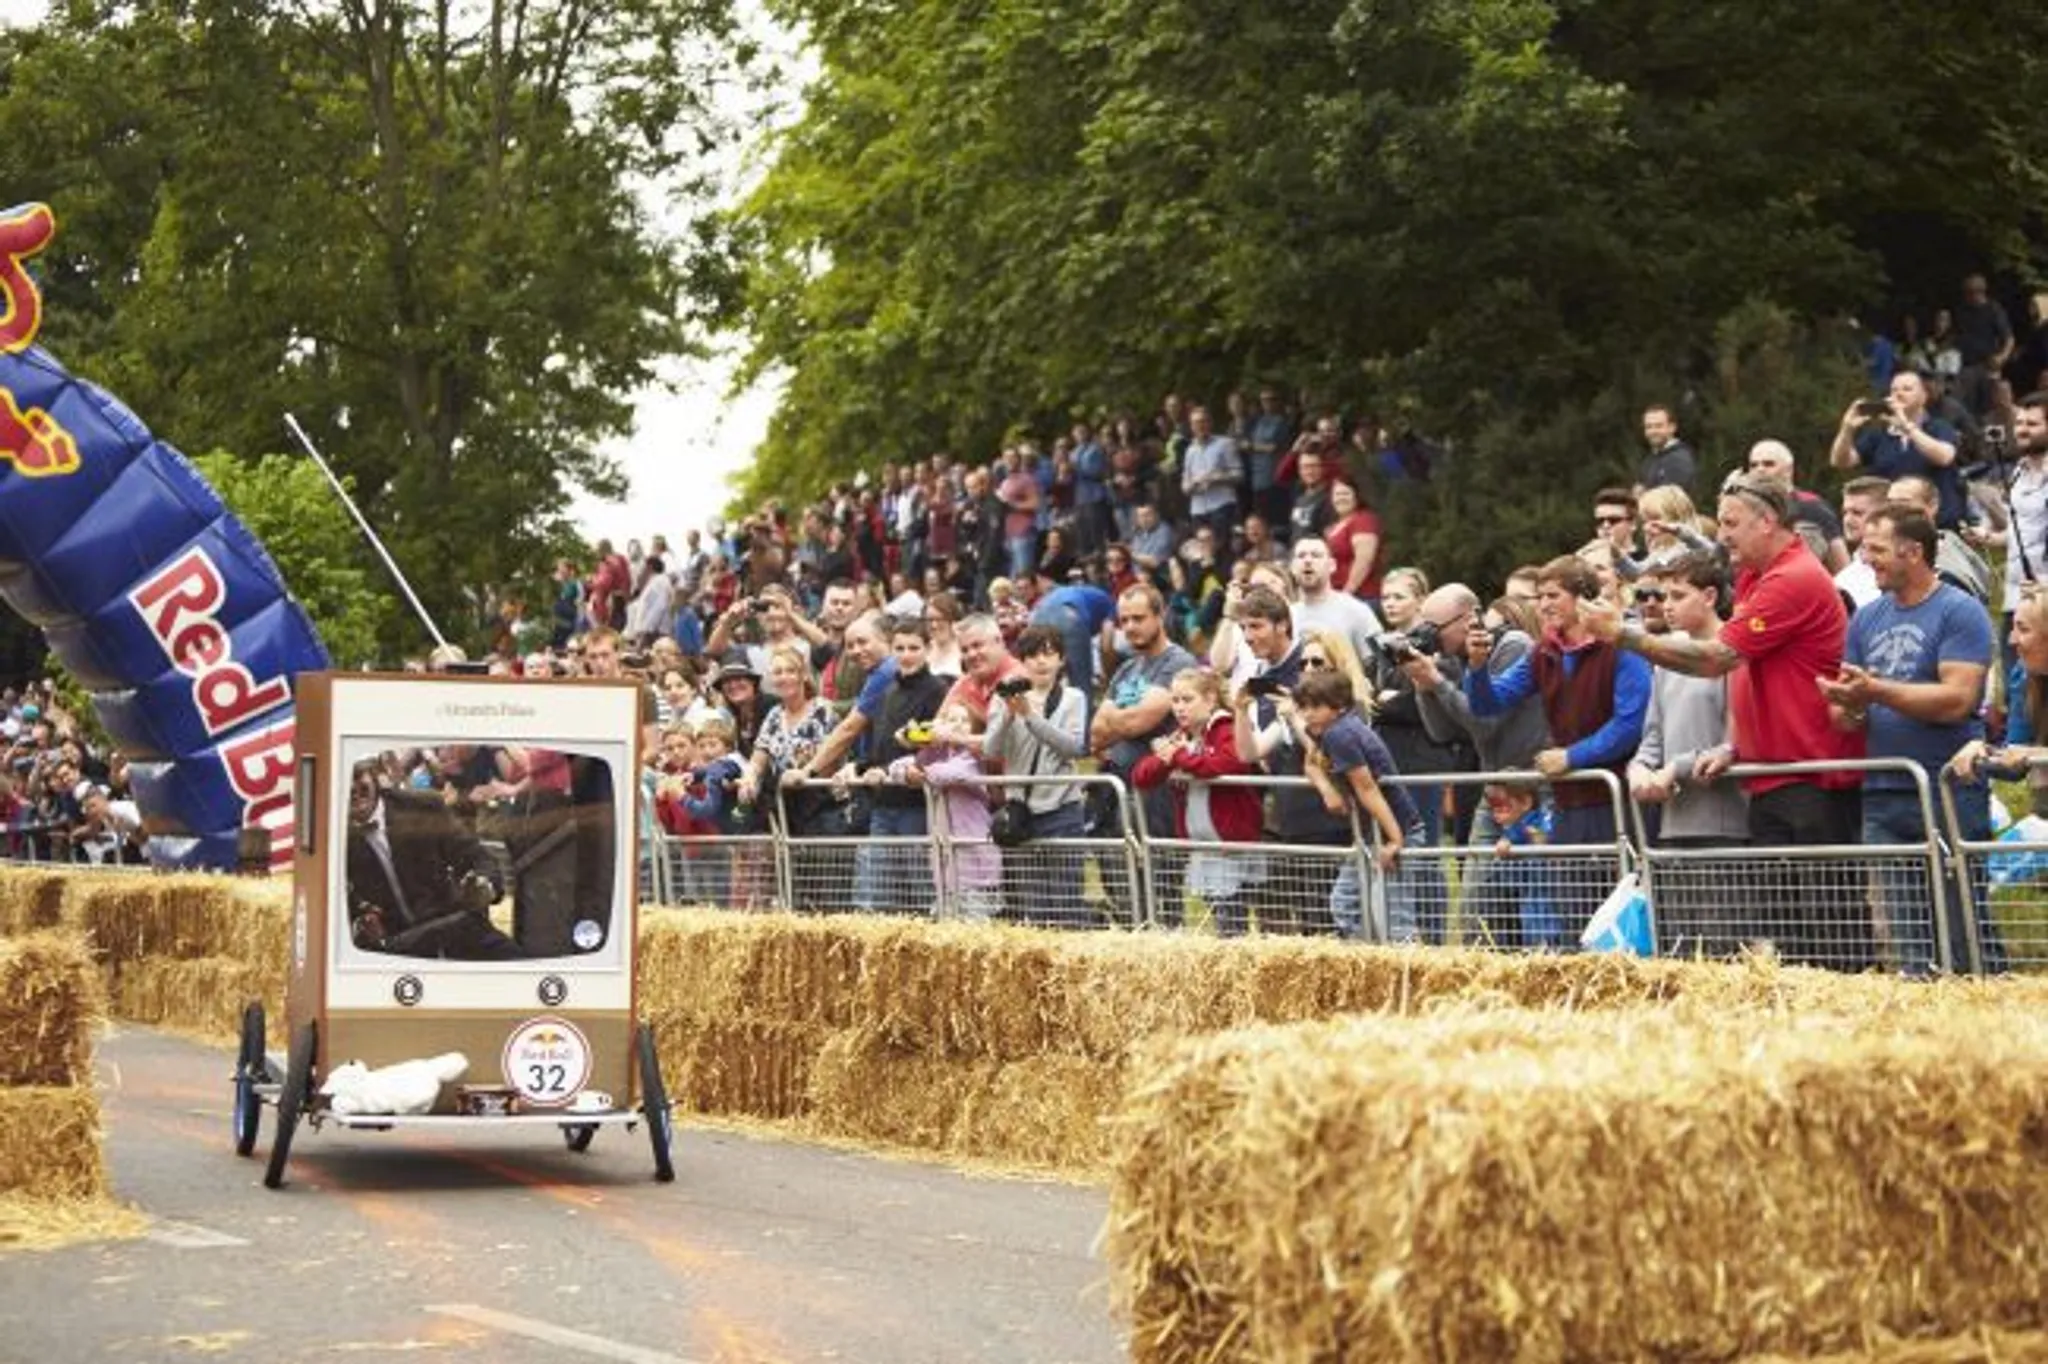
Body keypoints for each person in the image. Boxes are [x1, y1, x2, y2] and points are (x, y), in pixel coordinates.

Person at [1583, 472, 1868, 970]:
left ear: (1769, 521)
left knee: (1829, 928)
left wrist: (1624, 636)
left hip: (1810, 775)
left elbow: (1718, 659)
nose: (1723, 534)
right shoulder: (1759, 578)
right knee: (1790, 933)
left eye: (1732, 524)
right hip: (1772, 775)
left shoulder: (1792, 578)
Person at [1819, 504, 1998, 976]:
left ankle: (1983, 1001)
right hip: (1884, 789)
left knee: (1964, 921)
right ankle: (1922, 1019)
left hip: (1947, 788)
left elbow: (1958, 699)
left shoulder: (1960, 610)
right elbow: (1845, 718)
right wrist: (1850, 702)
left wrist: (1876, 690)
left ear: (1913, 552)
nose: (1865, 558)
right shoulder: (1866, 619)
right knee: (1907, 932)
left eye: (1876, 549)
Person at [1466, 555, 1649, 942]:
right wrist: (1477, 667)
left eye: (1553, 595)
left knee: (1620, 914)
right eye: (1539, 597)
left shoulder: (1622, 645)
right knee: (1573, 918)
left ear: (1583, 598)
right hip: (1568, 804)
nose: (1543, 605)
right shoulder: (1543, 651)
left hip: (1617, 802)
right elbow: (1489, 702)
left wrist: (1571, 757)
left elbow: (1630, 724)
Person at [1625, 552, 1749, 957]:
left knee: (1721, 951)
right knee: (1677, 950)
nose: (1666, 605)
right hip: (1672, 827)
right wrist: (1639, 768)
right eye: (1665, 595)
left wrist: (1672, 770)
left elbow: (1736, 740)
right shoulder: (1667, 661)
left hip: (1725, 826)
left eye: (1678, 595)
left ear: (1710, 596)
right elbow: (1653, 735)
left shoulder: (1733, 654)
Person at [1091, 584, 1199, 925]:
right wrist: (1119, 720)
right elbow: (1095, 734)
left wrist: (1115, 716)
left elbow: (1139, 721)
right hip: (1118, 793)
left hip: (1158, 795)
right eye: (1124, 620)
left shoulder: (1178, 663)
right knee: (1123, 887)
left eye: (1139, 618)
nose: (1131, 627)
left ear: (1160, 615)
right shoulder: (1126, 670)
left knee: (1162, 887)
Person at [344, 758, 522, 961]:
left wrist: (484, 886)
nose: (351, 788)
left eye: (357, 777)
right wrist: (358, 923)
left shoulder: (422, 806)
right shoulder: (327, 834)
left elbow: (478, 857)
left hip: (454, 929)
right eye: (341, 780)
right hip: (393, 949)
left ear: (374, 775)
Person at [1132, 667, 1261, 937]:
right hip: (1203, 843)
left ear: (1210, 699)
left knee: (1232, 918)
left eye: (1187, 700)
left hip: (1231, 844)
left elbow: (1226, 763)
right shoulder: (1182, 736)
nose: (1179, 708)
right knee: (1218, 914)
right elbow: (1141, 776)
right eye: (1175, 700)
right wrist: (1166, 758)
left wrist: (1179, 757)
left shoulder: (1226, 727)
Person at [983, 625, 1091, 927]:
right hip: (1022, 814)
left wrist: (1030, 716)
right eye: (1032, 655)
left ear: (1061, 659)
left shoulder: (1073, 697)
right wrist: (1007, 715)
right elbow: (991, 750)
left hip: (1062, 811)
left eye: (1048, 654)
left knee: (1068, 902)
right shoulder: (1003, 696)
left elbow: (1072, 747)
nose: (1041, 662)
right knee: (1035, 908)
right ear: (1023, 661)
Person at [1293, 668, 1413, 942]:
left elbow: (1367, 788)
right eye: (1303, 707)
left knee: (1395, 918)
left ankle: (1404, 970)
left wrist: (1395, 839)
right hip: (1370, 832)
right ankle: (1369, 962)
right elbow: (1311, 763)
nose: (1308, 714)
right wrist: (1327, 791)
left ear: (1339, 706)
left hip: (1392, 827)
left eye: (1316, 706)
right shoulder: (1325, 731)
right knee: (1345, 902)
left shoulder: (1340, 735)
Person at [852, 617, 951, 914]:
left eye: (914, 648)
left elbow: (937, 747)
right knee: (881, 893)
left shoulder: (938, 690)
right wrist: (858, 768)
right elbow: (881, 748)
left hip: (917, 806)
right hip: (883, 803)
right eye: (900, 648)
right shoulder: (888, 691)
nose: (906, 655)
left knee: (921, 891)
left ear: (927, 649)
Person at [886, 704, 1000, 922]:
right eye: (950, 719)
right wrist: (908, 769)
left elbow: (950, 773)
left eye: (964, 721)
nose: (956, 725)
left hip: (975, 865)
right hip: (945, 867)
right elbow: (896, 767)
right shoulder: (935, 754)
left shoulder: (973, 757)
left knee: (975, 925)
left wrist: (920, 773)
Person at [1829, 370, 1966, 530]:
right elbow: (1841, 461)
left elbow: (1944, 457)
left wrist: (1907, 428)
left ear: (1924, 396)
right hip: (1891, 526)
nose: (1899, 394)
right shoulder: (1879, 434)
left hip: (1936, 525)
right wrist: (1847, 429)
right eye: (1894, 390)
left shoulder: (1939, 427)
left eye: (1907, 389)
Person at [1482, 779, 1562, 950]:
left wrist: (1508, 840)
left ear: (1525, 802)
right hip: (1530, 900)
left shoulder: (1533, 823)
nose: (1496, 814)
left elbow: (1537, 835)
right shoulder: (1516, 827)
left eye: (1502, 805)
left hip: (1547, 903)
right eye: (1493, 807)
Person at [1291, 535, 1383, 667]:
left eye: (1316, 555)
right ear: (1293, 567)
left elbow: (1377, 664)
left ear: (1332, 565)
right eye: (1301, 556)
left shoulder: (1356, 610)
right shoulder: (1286, 616)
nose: (1308, 561)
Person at [1325, 480, 1383, 604]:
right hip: (1336, 596)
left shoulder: (1363, 520)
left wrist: (1347, 593)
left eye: (1346, 494)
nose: (1341, 498)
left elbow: (1364, 560)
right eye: (1337, 494)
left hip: (1361, 597)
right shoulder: (1333, 526)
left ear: (1357, 496)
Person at [1637, 405, 1696, 494]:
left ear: (1672, 428)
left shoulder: (1679, 459)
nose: (1653, 431)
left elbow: (1670, 500)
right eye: (1649, 427)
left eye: (1658, 426)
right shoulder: (1650, 459)